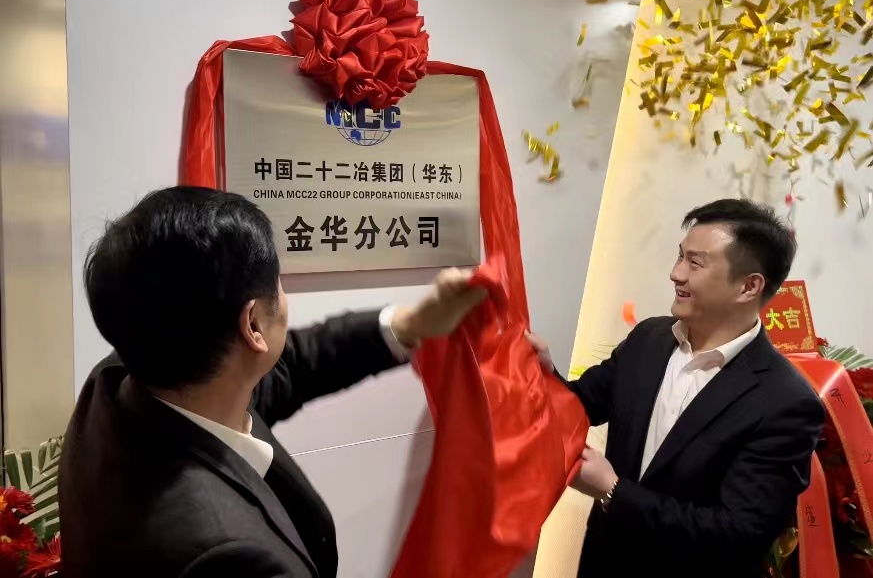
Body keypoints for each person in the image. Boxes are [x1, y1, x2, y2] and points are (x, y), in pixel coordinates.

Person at [59, 186, 487, 578]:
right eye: (278, 282)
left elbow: (294, 363)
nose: (283, 296)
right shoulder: (228, 556)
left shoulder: (127, 377)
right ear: (252, 324)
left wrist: (412, 324)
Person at [532, 199, 824, 578]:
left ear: (748, 286)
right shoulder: (649, 339)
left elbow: (737, 535)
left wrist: (614, 491)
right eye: (680, 256)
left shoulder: (786, 402)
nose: (676, 274)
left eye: (695, 263)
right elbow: (578, 405)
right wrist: (540, 372)